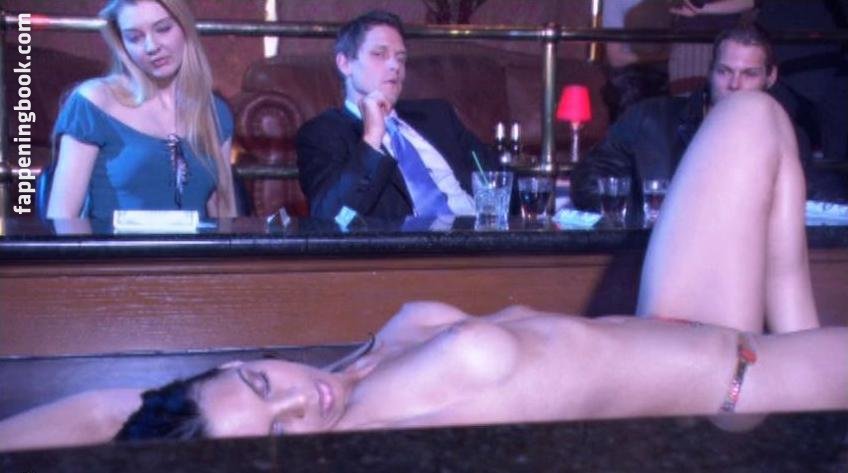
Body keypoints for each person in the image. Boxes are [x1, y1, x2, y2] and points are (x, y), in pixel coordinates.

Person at [2, 91, 843, 451]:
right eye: (285, 432)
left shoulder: (341, 373)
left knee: (751, 113)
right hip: (737, 384)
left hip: (679, 317)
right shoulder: (384, 430)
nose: (303, 399)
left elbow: (104, 409)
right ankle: (799, 414)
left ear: (242, 362)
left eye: (265, 384)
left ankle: (804, 394)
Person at [46, 0, 238, 220]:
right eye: (134, 37)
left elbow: (226, 216)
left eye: (163, 29)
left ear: (185, 28)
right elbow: (62, 217)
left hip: (193, 244)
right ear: (121, 42)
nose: (151, 47)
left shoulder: (215, 112)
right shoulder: (94, 102)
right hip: (114, 243)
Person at [295, 10, 495, 221]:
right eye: (379, 54)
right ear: (345, 63)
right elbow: (333, 218)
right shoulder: (322, 134)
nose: (395, 66)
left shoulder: (438, 115)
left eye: (401, 58)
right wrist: (372, 138)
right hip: (414, 240)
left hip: (483, 231)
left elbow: (497, 178)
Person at [571, 22, 778, 211]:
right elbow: (587, 183)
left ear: (770, 77)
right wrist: (651, 216)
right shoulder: (650, 118)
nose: (735, 84)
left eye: (749, 74)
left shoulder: (781, 138)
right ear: (710, 71)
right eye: (724, 71)